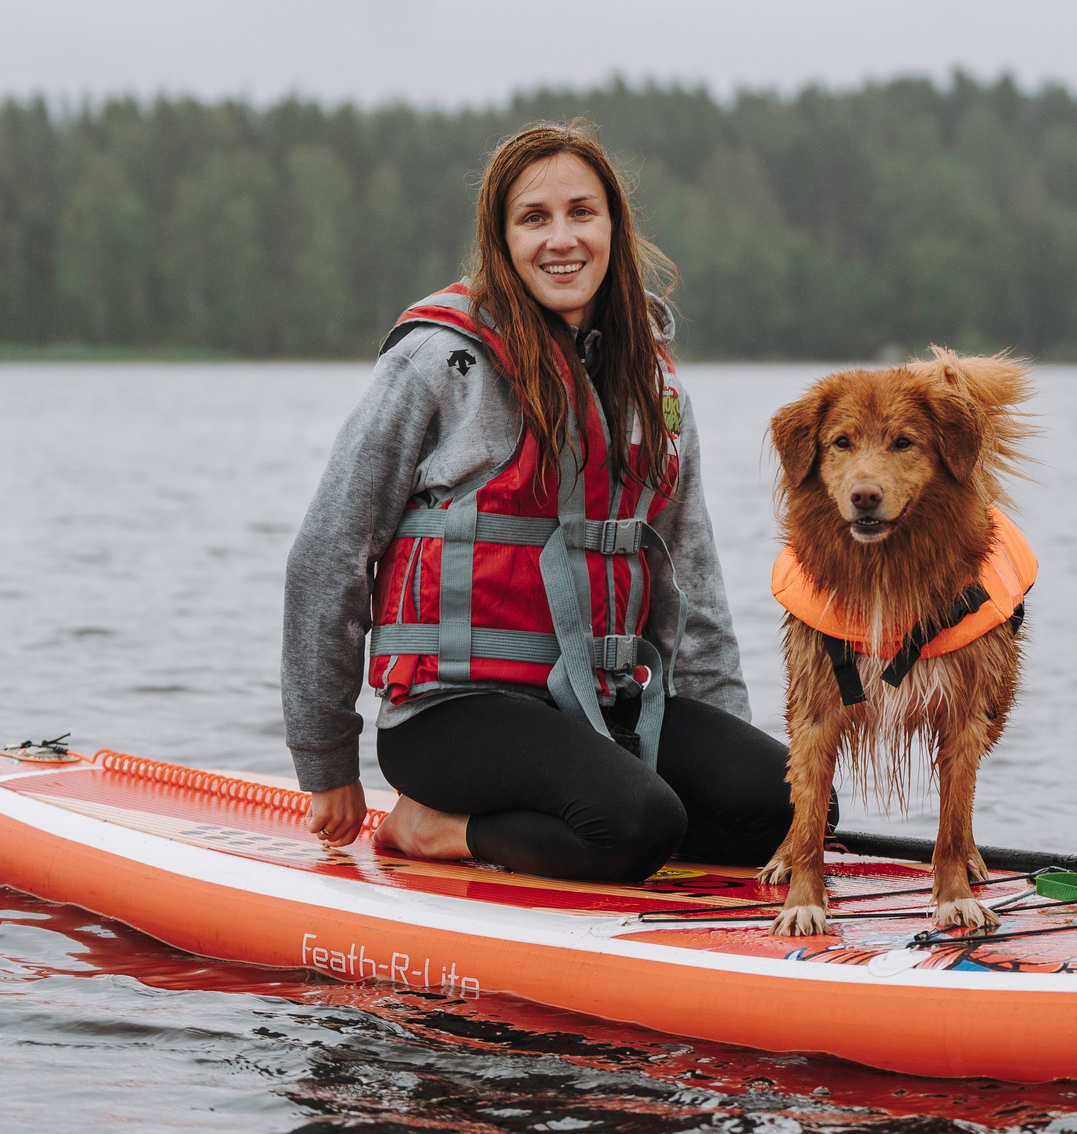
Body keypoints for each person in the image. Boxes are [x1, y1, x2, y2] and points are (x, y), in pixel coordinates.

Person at [281, 120, 800, 885]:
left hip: (600, 705)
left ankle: (607, 826)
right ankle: (435, 829)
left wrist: (724, 757)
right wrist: (325, 758)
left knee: (791, 805)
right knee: (639, 822)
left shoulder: (654, 388)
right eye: (535, 218)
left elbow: (692, 587)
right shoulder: (436, 364)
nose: (562, 239)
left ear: (614, 228)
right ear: (501, 240)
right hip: (448, 714)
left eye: (581, 213)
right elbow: (326, 557)